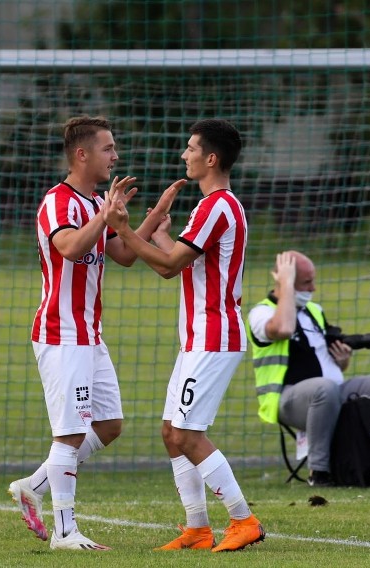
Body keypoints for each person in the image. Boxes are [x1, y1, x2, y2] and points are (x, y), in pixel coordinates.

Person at [8, 115, 179, 551]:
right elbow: (69, 247)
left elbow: (120, 255)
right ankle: (65, 533)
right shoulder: (58, 202)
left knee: (108, 424)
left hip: (89, 333)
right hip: (61, 332)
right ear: (81, 154)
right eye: (108, 148)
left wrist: (151, 216)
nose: (115, 156)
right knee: (69, 433)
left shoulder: (90, 206)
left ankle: (34, 485)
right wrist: (104, 216)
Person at [104, 118, 264, 553]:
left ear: (211, 158)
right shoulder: (213, 207)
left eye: (191, 148)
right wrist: (158, 233)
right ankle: (197, 528)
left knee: (189, 434)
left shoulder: (217, 207)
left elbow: (170, 264)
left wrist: (121, 228)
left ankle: (243, 519)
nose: (184, 154)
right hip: (198, 338)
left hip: (213, 337)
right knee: (172, 432)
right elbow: (172, 260)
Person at [246, 250, 370, 486]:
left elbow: (325, 361)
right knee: (324, 389)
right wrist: (285, 285)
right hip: (287, 400)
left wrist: (342, 361)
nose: (313, 288)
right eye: (307, 282)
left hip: (332, 391)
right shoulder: (261, 313)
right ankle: (319, 472)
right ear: (288, 282)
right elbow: (283, 329)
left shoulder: (315, 311)